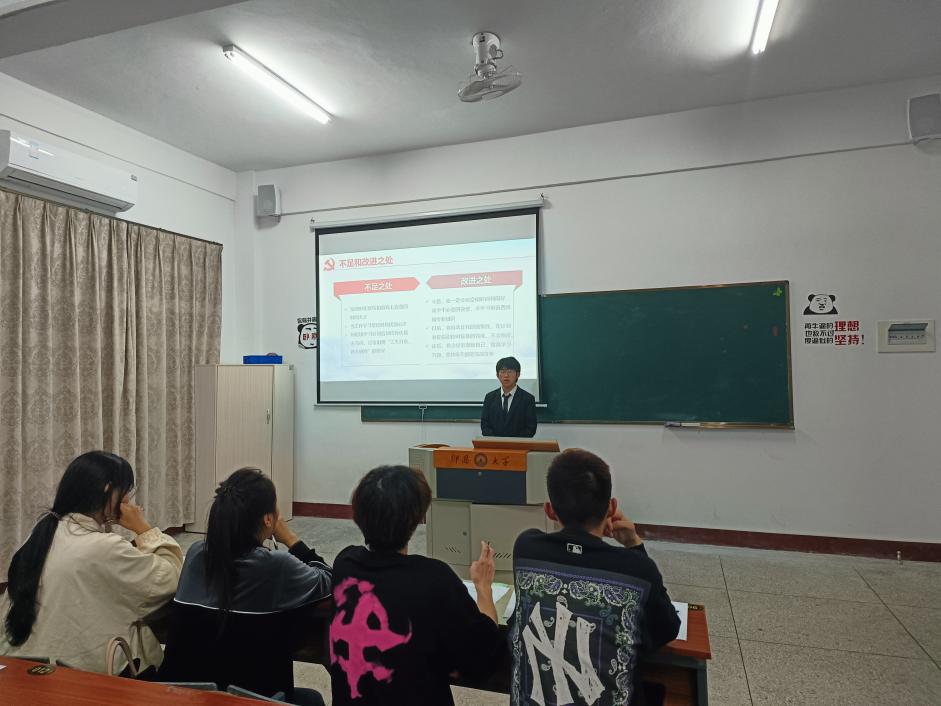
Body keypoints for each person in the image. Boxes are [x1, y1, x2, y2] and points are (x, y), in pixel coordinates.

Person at [509, 449, 680, 706]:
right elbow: (667, 629)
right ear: (611, 507)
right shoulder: (637, 569)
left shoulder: (526, 549)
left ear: (549, 510)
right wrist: (634, 544)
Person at [329, 465, 506, 706]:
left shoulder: (345, 564)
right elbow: (483, 658)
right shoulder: (435, 580)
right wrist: (484, 587)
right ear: (418, 517)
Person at [159, 468, 331, 705]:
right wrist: (291, 539)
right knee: (313, 699)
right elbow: (328, 579)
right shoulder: (277, 566)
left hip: (183, 697)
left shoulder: (197, 554)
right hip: (254, 699)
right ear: (268, 519)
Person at [1, 450, 182, 673]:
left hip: (21, 665)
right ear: (108, 490)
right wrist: (143, 528)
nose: (127, 500)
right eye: (125, 491)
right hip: (82, 675)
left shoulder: (43, 531)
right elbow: (170, 579)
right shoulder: (103, 547)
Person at [480, 356, 537, 437]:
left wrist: (512, 442)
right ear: (497, 375)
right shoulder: (489, 397)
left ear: (518, 374)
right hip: (494, 444)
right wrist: (497, 441)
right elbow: (485, 425)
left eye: (510, 372)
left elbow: (530, 428)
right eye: (502, 372)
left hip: (518, 444)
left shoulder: (527, 399)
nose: (506, 375)